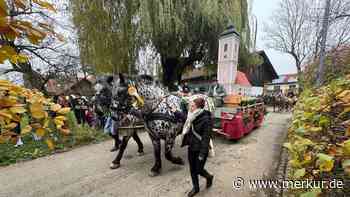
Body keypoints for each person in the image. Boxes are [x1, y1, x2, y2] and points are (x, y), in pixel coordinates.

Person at [182, 98, 214, 197]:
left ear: (198, 107)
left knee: (199, 169)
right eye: (190, 105)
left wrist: (202, 154)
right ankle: (196, 188)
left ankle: (209, 177)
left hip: (200, 150)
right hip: (191, 147)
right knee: (192, 169)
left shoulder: (206, 119)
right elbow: (184, 118)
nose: (190, 107)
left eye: (192, 106)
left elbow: (206, 138)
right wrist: (175, 112)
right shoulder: (191, 116)